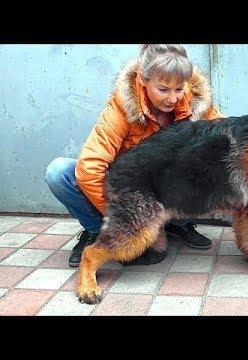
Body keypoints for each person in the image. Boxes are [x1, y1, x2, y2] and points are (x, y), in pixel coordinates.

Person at [45, 44, 225, 267]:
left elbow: (225, 141)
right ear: (143, 80)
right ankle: (97, 230)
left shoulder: (195, 101)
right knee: (59, 172)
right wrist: (130, 220)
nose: (172, 99)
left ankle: (177, 224)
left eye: (179, 89)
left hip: (168, 189)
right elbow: (91, 167)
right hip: (132, 189)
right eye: (163, 89)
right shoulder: (121, 107)